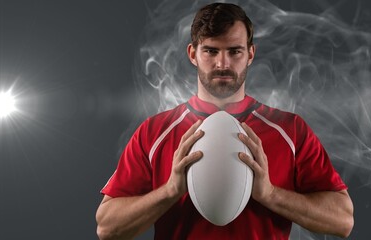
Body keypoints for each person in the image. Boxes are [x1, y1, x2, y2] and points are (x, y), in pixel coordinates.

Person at [96, 3, 354, 240]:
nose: (222, 63)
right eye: (210, 51)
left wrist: (270, 195)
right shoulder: (154, 132)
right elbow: (107, 227)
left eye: (234, 51)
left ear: (250, 54)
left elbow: (343, 220)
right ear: (193, 54)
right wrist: (170, 191)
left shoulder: (290, 129)